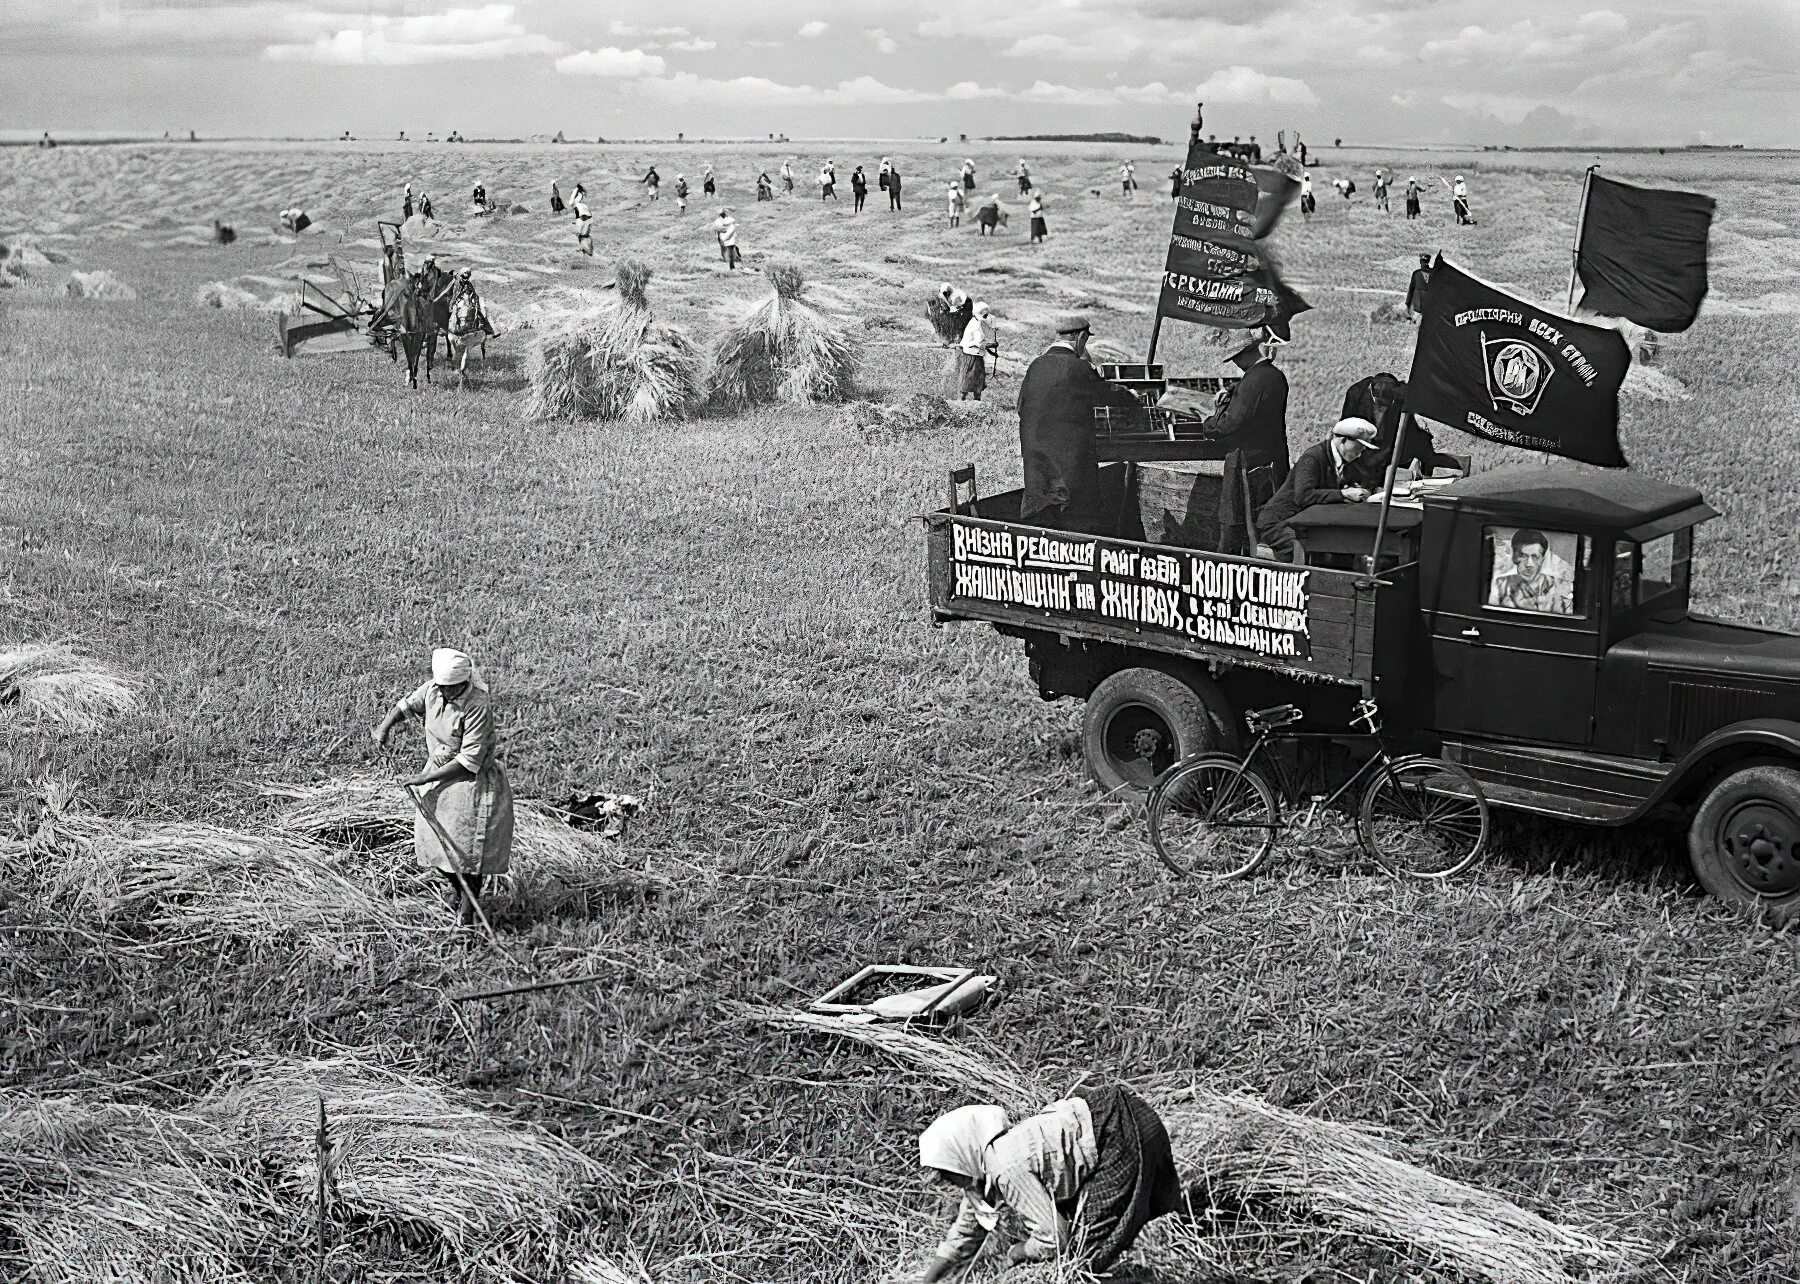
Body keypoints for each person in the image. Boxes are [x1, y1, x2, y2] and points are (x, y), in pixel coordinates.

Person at [916, 1084, 1182, 1281]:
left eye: (946, 1170)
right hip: (1125, 1116)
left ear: (963, 1154)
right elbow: (966, 1230)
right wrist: (928, 1280)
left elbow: (1054, 1237)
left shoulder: (1005, 1167)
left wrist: (1018, 1252)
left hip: (1120, 1133)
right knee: (1088, 1242)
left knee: (1082, 1264)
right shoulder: (990, 1161)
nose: (946, 1179)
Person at [370, 648, 515, 928]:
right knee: (435, 843)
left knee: (465, 850)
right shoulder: (433, 690)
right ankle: (460, 891)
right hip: (438, 774)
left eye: (453, 689)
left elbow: (468, 760)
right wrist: (383, 728)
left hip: (469, 781)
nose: (447, 695)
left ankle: (467, 913)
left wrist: (425, 779)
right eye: (443, 688)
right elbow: (406, 706)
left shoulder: (477, 706)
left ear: (465, 682)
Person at [1017, 314, 1142, 533]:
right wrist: (1131, 395)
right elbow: (1106, 393)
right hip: (1070, 470)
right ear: (1081, 337)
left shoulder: (1035, 367)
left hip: (1036, 466)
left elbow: (1021, 408)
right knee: (1079, 526)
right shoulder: (1079, 368)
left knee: (1039, 527)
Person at [1254, 418, 1379, 562]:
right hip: (1279, 523)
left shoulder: (1340, 460)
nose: (1361, 452)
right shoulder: (1312, 458)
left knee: (1338, 542)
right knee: (1310, 549)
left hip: (1303, 522)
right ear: (1343, 440)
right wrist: (1343, 494)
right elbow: (1303, 496)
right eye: (1359, 446)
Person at [1201, 328, 1292, 485]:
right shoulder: (1273, 374)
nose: (1235, 362)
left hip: (1255, 468)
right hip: (1274, 459)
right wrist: (1233, 392)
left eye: (1235, 357)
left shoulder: (1254, 380)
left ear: (1245, 352)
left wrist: (1206, 422)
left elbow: (1229, 424)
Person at [1492, 529, 1573, 613]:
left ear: (1542, 559)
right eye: (1523, 556)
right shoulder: (1500, 585)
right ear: (1514, 557)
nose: (1529, 564)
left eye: (1535, 556)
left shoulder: (1561, 587)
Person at [956, 302, 997, 400]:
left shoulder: (975, 321)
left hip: (973, 355)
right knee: (969, 380)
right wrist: (993, 344)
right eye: (985, 314)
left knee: (974, 379)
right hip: (972, 356)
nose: (986, 316)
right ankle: (963, 400)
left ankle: (972, 401)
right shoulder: (975, 326)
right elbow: (979, 344)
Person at [449, 267, 497, 335]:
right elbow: (454, 273)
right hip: (459, 300)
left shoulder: (468, 283)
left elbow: (473, 294)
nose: (466, 278)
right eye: (464, 276)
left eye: (467, 277)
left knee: (480, 312)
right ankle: (453, 328)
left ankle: (488, 328)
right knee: (454, 311)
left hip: (469, 300)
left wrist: (475, 301)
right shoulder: (458, 279)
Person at [1406, 255, 1432, 319]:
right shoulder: (1435, 274)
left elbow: (1411, 290)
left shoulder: (1416, 274)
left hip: (1418, 308)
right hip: (1428, 308)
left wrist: (1408, 304)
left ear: (1420, 261)